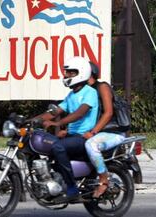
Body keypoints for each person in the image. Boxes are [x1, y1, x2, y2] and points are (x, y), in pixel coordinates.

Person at [39, 56, 99, 202]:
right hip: (71, 136)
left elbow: (80, 113)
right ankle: (54, 183)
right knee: (47, 145)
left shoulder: (89, 92)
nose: (65, 75)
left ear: (81, 73)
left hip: (82, 138)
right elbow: (55, 111)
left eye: (70, 73)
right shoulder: (71, 95)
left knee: (57, 146)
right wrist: (31, 121)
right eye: (66, 72)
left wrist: (56, 124)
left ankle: (72, 187)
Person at [83, 62, 127, 198]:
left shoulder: (102, 87)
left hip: (112, 131)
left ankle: (103, 179)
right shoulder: (83, 91)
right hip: (96, 132)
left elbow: (108, 113)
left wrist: (93, 131)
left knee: (91, 145)